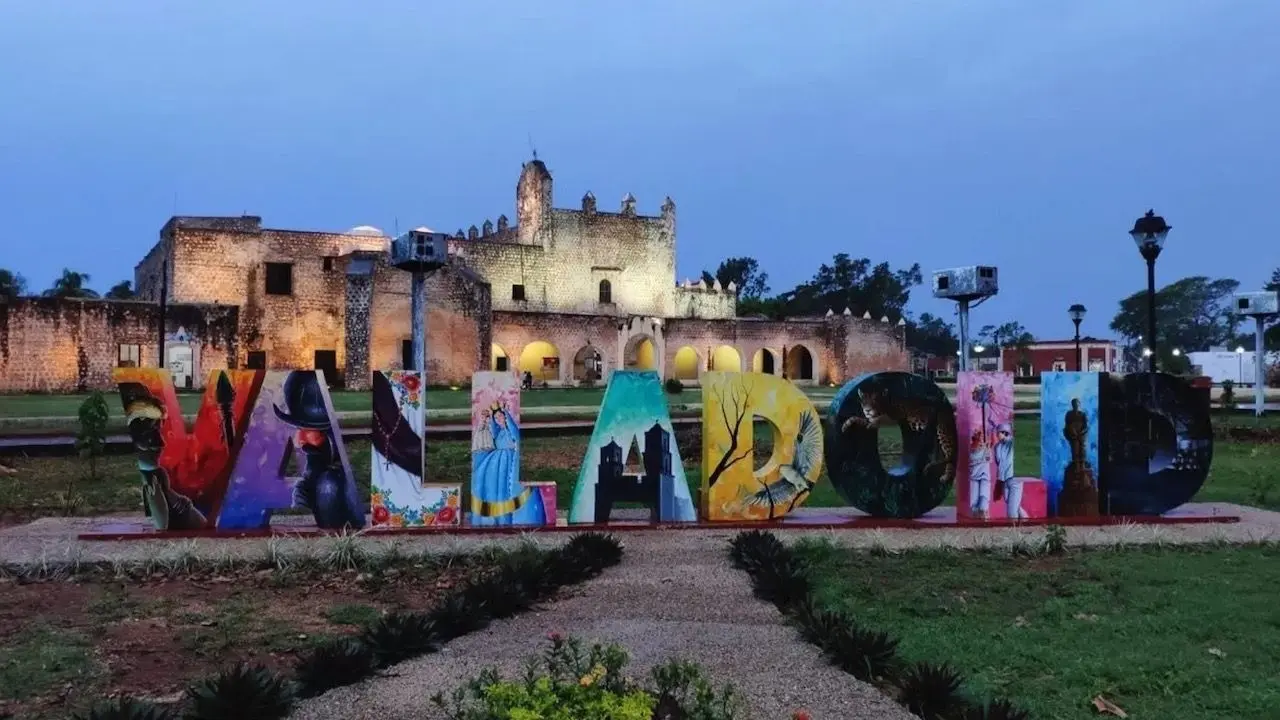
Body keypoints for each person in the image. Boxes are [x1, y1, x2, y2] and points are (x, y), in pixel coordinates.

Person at [470, 402, 544, 525]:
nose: (498, 419)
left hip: (507, 461)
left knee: (503, 488)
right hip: (495, 463)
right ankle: (491, 517)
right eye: (496, 418)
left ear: (505, 416)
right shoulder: (498, 432)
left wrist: (505, 412)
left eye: (500, 416)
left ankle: (504, 517)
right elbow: (488, 430)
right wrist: (486, 419)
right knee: (491, 486)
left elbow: (514, 431)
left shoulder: (511, 431)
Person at [992, 423, 1024, 519]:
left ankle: (1014, 528)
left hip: (1015, 479)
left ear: (1005, 433)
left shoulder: (1011, 444)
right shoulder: (997, 447)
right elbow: (998, 462)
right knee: (1011, 503)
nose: (997, 434)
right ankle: (1026, 521)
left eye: (999, 433)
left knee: (1011, 511)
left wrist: (1011, 432)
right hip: (1004, 480)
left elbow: (1015, 440)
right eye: (997, 432)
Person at [967, 429, 992, 519]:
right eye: (978, 439)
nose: (981, 441)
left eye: (981, 439)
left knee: (984, 495)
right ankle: (976, 513)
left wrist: (987, 448)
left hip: (984, 476)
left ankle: (984, 511)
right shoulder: (971, 450)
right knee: (974, 497)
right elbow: (972, 459)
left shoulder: (986, 448)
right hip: (974, 477)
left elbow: (989, 459)